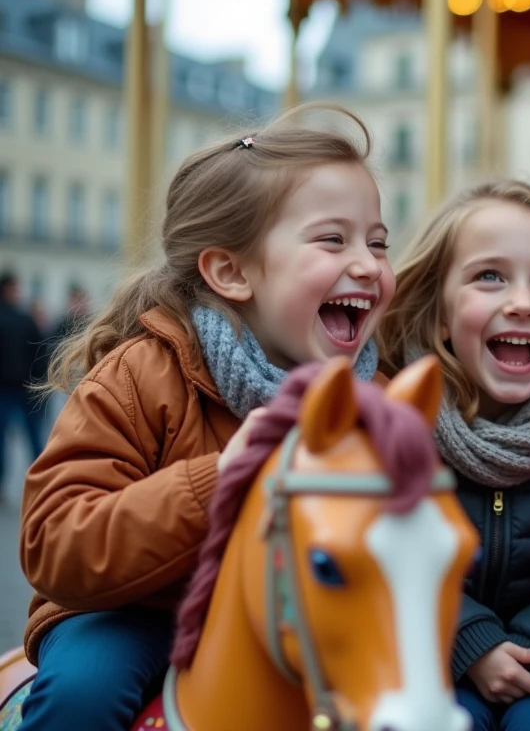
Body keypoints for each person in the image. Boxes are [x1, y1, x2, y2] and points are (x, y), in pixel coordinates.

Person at [18, 103, 396, 731]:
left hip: (299, 617)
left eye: (378, 242)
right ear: (231, 271)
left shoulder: (377, 399)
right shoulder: (144, 373)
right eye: (334, 239)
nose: (367, 263)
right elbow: (56, 541)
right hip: (137, 610)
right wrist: (219, 478)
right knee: (82, 695)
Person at [380, 181, 530, 731]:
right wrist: (471, 642)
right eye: (489, 277)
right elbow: (386, 555)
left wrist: (528, 643)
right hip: (428, 657)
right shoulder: (395, 419)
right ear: (439, 312)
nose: (521, 302)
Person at [0, 272, 45, 503]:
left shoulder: (22, 317)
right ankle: (43, 482)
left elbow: (38, 353)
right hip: (22, 388)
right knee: (33, 436)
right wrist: (39, 383)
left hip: (12, 389)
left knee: (21, 437)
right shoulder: (25, 318)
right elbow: (39, 353)